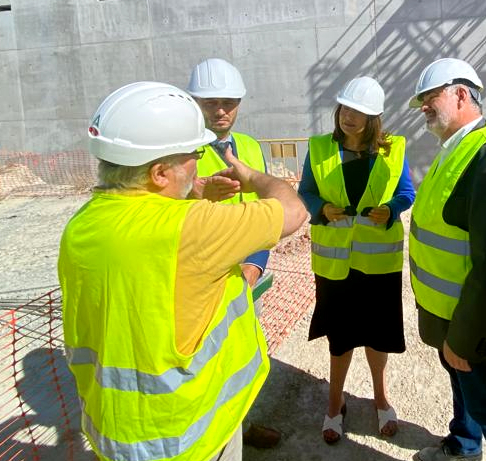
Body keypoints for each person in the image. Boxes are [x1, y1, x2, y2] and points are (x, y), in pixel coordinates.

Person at [58, 81, 308, 461]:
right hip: (190, 435)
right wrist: (253, 176)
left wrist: (192, 196)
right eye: (192, 153)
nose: (197, 161)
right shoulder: (191, 228)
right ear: (159, 172)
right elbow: (294, 212)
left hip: (116, 435)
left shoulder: (81, 226)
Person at [408, 59, 486, 461]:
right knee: (465, 391)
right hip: (452, 317)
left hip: (475, 324)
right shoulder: (455, 149)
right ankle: (462, 447)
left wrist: (462, 336)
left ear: (461, 94)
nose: (424, 107)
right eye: (422, 101)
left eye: (431, 97)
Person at [297, 76, 415, 444]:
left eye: (359, 112)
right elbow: (306, 191)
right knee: (341, 337)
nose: (349, 116)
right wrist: (321, 208)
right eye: (345, 108)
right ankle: (335, 403)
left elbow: (407, 191)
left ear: (374, 118)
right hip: (335, 267)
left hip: (378, 266)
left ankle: (381, 398)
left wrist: (392, 209)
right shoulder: (318, 148)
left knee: (378, 336)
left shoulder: (393, 149)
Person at [187, 58, 280, 449]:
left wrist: (256, 266)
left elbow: (263, 217)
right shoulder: (179, 155)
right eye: (210, 103)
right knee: (201, 369)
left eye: (229, 101)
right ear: (194, 103)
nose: (221, 110)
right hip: (200, 287)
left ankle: (243, 422)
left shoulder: (252, 148)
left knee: (241, 358)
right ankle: (209, 439)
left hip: (244, 279)